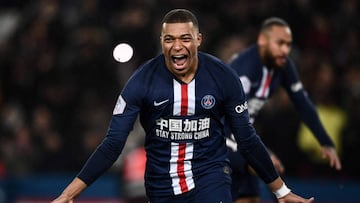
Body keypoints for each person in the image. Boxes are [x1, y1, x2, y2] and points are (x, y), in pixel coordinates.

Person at [51, 9, 314, 203]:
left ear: (198, 39)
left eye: (185, 38)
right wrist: (68, 195)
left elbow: (246, 138)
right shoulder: (141, 82)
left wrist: (281, 191)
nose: (177, 46)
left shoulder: (223, 78)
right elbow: (112, 145)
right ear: (162, 42)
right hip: (161, 186)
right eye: (170, 40)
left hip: (211, 176)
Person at [226, 17, 342, 203]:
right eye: (280, 43)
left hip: (243, 136)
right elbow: (224, 119)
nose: (285, 50)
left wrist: (325, 141)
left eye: (288, 44)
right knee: (268, 167)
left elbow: (302, 103)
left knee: (253, 196)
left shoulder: (283, 66)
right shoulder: (243, 71)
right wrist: (255, 154)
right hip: (220, 137)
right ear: (262, 40)